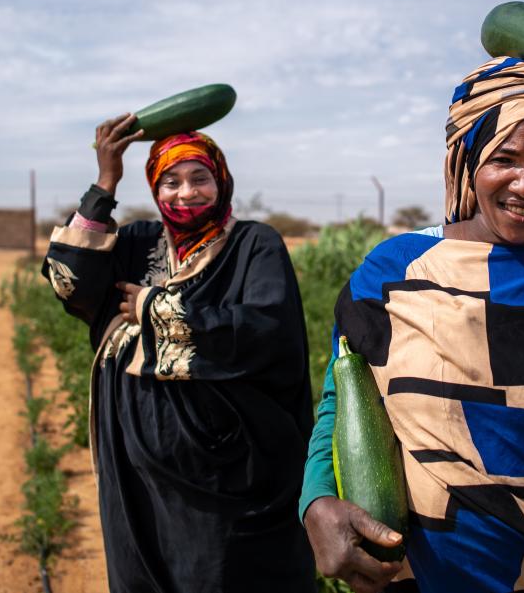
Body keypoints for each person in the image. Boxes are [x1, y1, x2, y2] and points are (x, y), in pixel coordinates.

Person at [300, 55, 524, 593]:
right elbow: (343, 399)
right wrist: (316, 499)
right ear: (468, 160)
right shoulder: (392, 274)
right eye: (505, 158)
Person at [41, 115, 317, 593]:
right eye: (170, 181)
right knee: (143, 569)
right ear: (153, 187)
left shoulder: (254, 244)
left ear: (222, 180)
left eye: (199, 178)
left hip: (227, 469)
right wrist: (106, 181)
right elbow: (71, 283)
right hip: (134, 466)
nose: (185, 193)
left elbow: (267, 329)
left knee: (223, 573)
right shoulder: (136, 241)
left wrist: (154, 308)